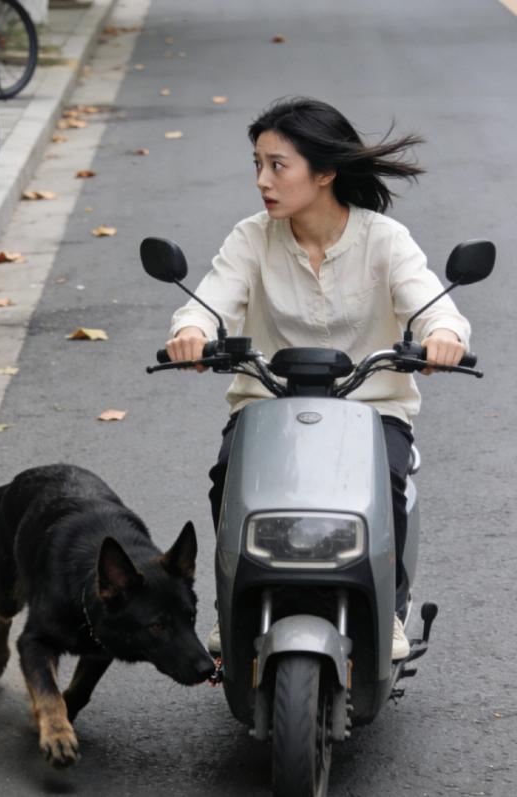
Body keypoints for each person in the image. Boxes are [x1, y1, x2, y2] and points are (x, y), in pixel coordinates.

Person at [164, 97, 470, 661]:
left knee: (388, 482)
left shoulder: (384, 239)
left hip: (372, 407)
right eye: (257, 164)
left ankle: (391, 607)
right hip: (270, 405)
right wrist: (191, 331)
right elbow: (209, 302)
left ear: (325, 172)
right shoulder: (251, 238)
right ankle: (229, 603)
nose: (262, 180)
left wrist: (443, 336)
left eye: (277, 165)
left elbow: (432, 305)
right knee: (226, 478)